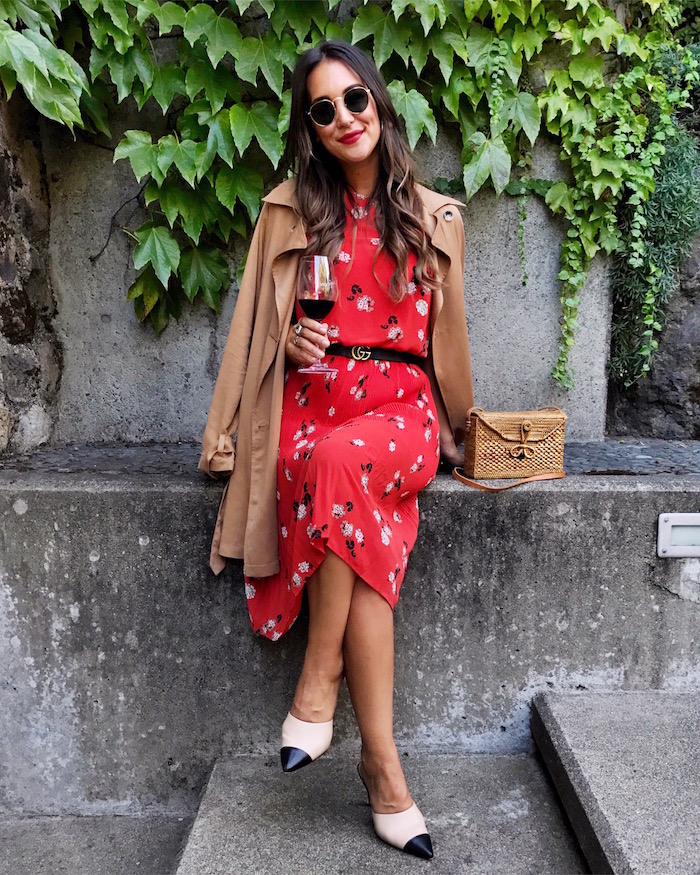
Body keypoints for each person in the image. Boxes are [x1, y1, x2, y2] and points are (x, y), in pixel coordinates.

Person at [199, 39, 473, 859]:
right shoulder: (289, 212)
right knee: (342, 495)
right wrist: (291, 346)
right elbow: (256, 331)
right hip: (314, 408)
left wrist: (464, 428)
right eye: (323, 110)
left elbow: (449, 343)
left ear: (379, 103)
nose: (344, 119)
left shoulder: (436, 215)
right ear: (310, 129)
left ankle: (316, 685)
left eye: (354, 99)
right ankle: (383, 770)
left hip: (402, 410)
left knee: (341, 465)